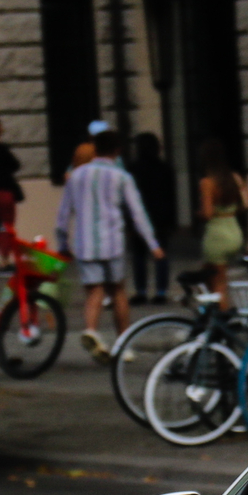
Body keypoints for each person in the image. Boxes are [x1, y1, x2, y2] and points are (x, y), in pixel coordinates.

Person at [59, 128, 162, 362]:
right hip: (112, 242)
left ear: (95, 148)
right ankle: (123, 343)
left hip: (85, 243)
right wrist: (152, 243)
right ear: (118, 150)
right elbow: (137, 213)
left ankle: (91, 330)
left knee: (94, 291)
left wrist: (62, 241)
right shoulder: (122, 177)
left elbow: (64, 212)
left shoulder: (76, 175)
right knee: (118, 292)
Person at [196, 137, 248, 307]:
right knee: (208, 276)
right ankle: (212, 313)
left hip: (217, 235)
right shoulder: (235, 178)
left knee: (218, 283)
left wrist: (197, 214)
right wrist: (232, 211)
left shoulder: (207, 182)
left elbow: (207, 213)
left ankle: (222, 318)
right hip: (234, 230)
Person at [128, 131, 176, 304]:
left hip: (139, 218)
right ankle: (161, 291)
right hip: (161, 217)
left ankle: (141, 290)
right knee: (161, 255)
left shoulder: (133, 169)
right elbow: (171, 196)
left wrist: (129, 223)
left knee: (139, 256)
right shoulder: (165, 168)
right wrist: (172, 221)